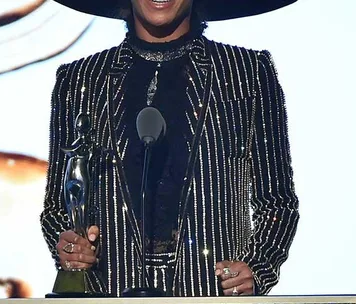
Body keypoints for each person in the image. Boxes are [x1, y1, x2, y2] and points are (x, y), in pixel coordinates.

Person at [40, 0, 300, 297]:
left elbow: (277, 200)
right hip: (110, 294)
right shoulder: (80, 81)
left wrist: (256, 269)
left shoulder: (247, 73)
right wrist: (71, 248)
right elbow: (58, 207)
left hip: (211, 295)